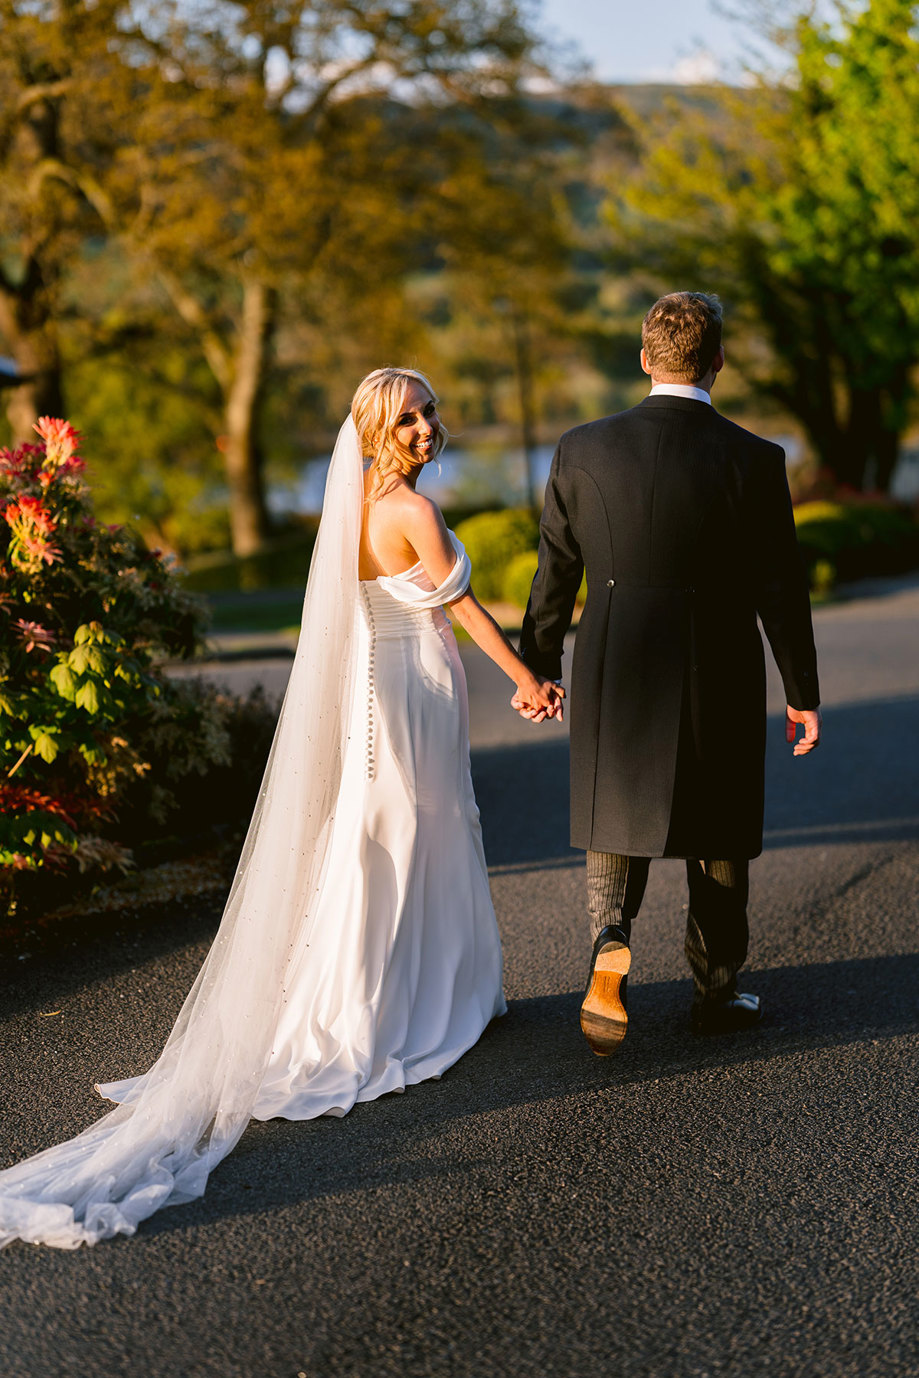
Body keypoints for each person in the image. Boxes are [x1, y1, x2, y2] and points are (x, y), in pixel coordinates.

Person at [0, 367, 563, 1249]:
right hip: (412, 688)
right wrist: (527, 678)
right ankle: (410, 1006)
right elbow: (462, 613)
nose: (426, 429)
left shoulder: (347, 516)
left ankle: (412, 994)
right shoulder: (412, 514)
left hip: (377, 691)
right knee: (421, 831)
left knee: (386, 836)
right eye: (408, 419)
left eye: (429, 413)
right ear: (375, 432)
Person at [516, 292, 821, 1055]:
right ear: (715, 361)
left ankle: (610, 938)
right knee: (715, 823)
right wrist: (802, 693)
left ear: (646, 358)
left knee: (616, 805)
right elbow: (778, 589)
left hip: (615, 653)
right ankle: (714, 988)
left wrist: (540, 662)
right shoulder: (755, 458)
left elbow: (555, 569)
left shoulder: (580, 448)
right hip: (715, 653)